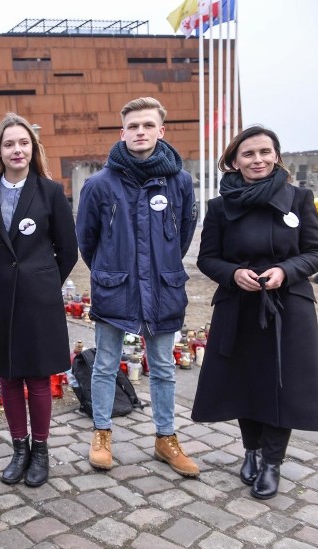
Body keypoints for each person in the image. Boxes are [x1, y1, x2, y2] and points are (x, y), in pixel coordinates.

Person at [192, 126, 318, 500]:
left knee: (282, 384)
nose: (258, 159)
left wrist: (286, 270)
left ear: (277, 156)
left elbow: (317, 251)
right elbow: (207, 259)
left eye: (265, 152)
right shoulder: (219, 207)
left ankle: (271, 462)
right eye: (248, 154)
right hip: (239, 305)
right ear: (234, 161)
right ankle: (250, 448)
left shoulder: (299, 198)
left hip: (288, 307)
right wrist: (232, 274)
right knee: (245, 380)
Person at [75, 97, 200, 477]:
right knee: (105, 365)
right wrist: (111, 271)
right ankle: (101, 433)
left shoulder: (179, 182)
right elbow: (87, 240)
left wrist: (159, 268)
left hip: (163, 288)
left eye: (148, 125)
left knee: (162, 366)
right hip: (117, 289)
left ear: (161, 131)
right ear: (122, 132)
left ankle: (166, 438)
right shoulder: (99, 184)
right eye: (133, 126)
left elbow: (182, 236)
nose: (140, 132)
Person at [0, 113, 78, 487]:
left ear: (33, 149)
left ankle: (41, 449)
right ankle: (19, 448)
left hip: (39, 300)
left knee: (37, 377)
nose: (17, 149)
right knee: (8, 377)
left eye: (23, 143)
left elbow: (68, 250)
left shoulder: (50, 191)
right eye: (9, 144)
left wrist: (44, 282)